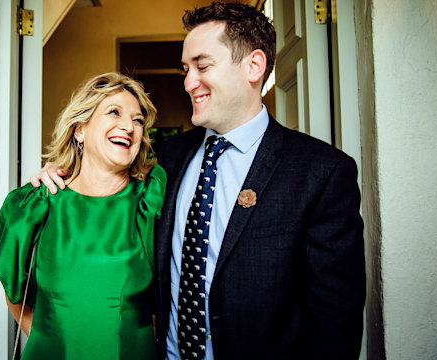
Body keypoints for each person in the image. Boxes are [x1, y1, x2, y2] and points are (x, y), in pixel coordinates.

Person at [32, 2, 365, 359]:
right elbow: (105, 192)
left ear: (254, 66)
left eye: (202, 66)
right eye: (186, 69)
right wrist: (62, 172)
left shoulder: (321, 173)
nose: (189, 83)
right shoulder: (170, 159)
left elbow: (335, 325)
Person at [0, 72, 165, 360]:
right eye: (114, 112)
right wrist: (53, 342)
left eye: (138, 120)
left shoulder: (151, 199)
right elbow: (14, 293)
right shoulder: (36, 203)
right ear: (80, 129)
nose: (128, 126)